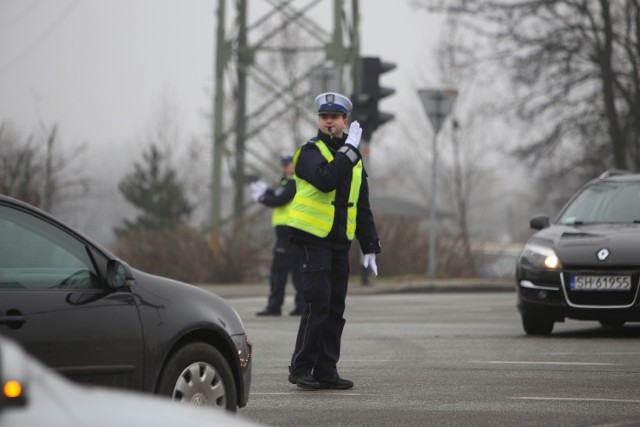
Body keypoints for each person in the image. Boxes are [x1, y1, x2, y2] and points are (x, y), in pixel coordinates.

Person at [286, 92, 381, 391]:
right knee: (318, 302)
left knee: (336, 308)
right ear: (319, 120)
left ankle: (326, 369)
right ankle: (301, 368)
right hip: (311, 238)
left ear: (345, 121)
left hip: (339, 241)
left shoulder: (353, 158)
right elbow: (326, 179)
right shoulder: (308, 152)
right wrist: (350, 151)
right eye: (324, 117)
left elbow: (361, 204)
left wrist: (370, 246)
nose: (329, 122)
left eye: (335, 117)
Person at [250, 155, 304, 316]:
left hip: (287, 233)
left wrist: (262, 198)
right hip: (292, 232)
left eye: (288, 164)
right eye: (284, 165)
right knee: (297, 271)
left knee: (279, 271)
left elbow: (280, 199)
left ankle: (275, 306)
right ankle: (301, 306)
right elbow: (278, 193)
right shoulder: (287, 182)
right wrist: (266, 191)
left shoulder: (294, 181)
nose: (285, 168)